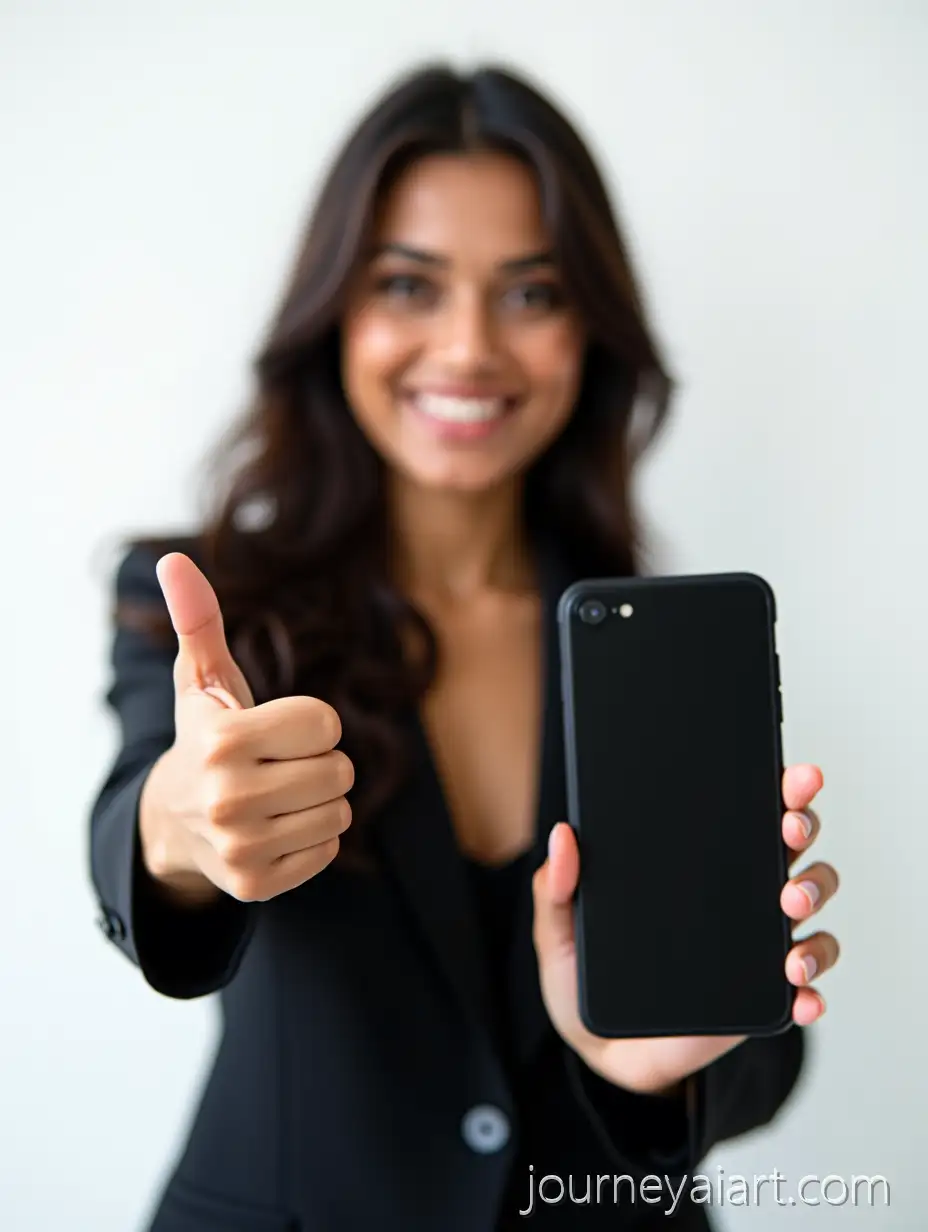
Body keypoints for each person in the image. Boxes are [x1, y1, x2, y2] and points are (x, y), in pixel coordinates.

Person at [89, 62, 841, 1231]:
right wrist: (179, 827)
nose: (469, 345)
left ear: (591, 327)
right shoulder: (217, 607)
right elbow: (137, 820)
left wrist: (653, 1061)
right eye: (409, 284)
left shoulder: (665, 644)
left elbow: (753, 1065)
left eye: (531, 293)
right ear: (336, 308)